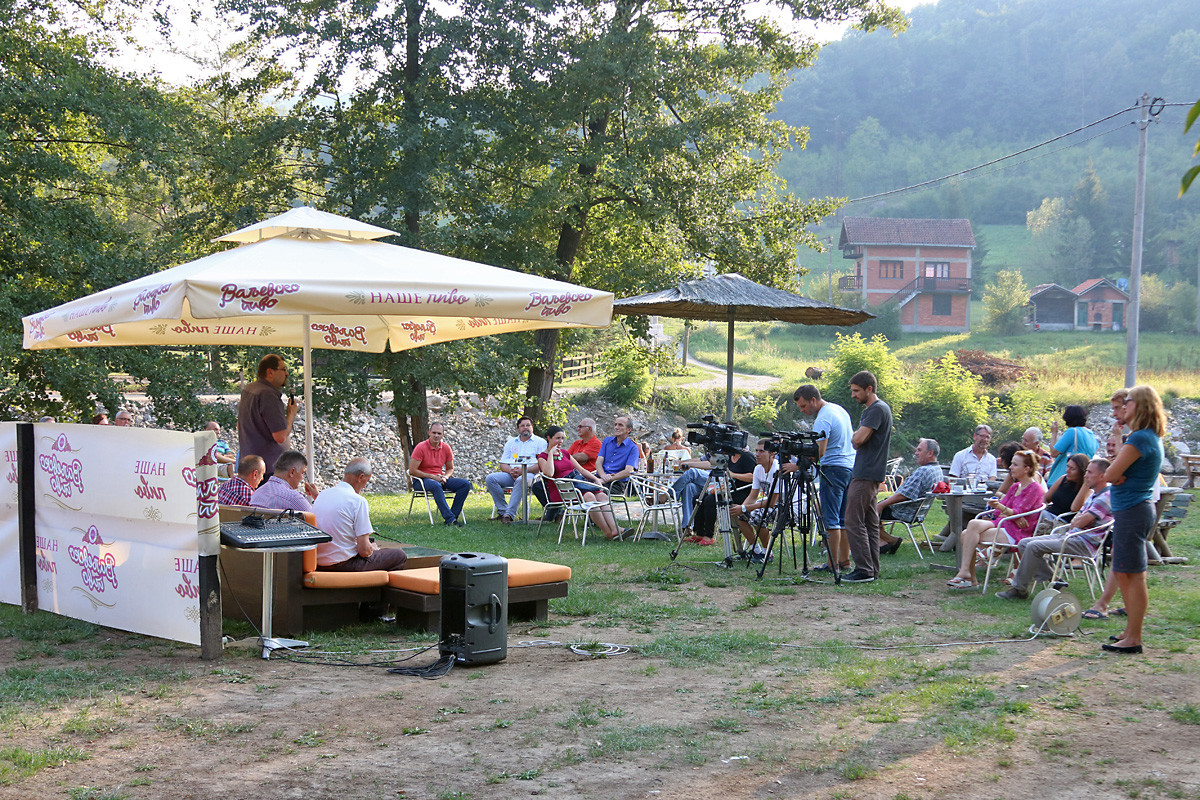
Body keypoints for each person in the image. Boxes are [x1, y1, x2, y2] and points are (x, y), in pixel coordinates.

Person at [1101, 385, 1165, 655]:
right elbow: (1114, 473)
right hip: (1135, 508)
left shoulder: (1139, 439)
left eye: (1127, 402)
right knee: (1125, 572)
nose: (1123, 406)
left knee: (1134, 574)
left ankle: (1134, 637)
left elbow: (1108, 474)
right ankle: (1129, 632)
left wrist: (1116, 474)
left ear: (1141, 405)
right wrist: (1116, 473)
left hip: (1133, 509)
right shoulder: (1146, 437)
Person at [997, 458, 1113, 600]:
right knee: (1024, 543)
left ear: (1102, 476)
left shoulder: (1106, 496)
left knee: (1033, 546)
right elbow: (1078, 518)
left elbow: (1079, 521)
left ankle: (1019, 589)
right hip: (1072, 535)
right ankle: (1054, 579)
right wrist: (1078, 521)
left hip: (1084, 543)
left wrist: (1078, 521)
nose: (1085, 475)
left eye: (1089, 472)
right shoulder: (1095, 494)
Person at [945, 450, 1042, 589]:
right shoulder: (1015, 486)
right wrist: (1007, 512)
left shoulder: (1035, 489)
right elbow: (999, 512)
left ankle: (969, 578)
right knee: (972, 525)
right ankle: (965, 574)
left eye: (1015, 464)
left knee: (967, 534)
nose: (1010, 467)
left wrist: (1006, 511)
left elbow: (1018, 514)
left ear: (1026, 468)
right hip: (1005, 524)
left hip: (1019, 532)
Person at [791, 384, 855, 573]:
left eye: (803, 406)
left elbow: (820, 450)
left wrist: (799, 464)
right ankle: (844, 561)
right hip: (849, 468)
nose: (803, 411)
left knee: (831, 519)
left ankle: (832, 564)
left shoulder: (823, 418)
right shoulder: (839, 410)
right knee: (843, 519)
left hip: (833, 470)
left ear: (813, 399)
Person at [314, 459, 407, 572]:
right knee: (399, 555)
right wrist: (371, 549)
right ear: (361, 477)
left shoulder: (322, 495)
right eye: (366, 481)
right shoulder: (357, 501)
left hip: (318, 563)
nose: (364, 487)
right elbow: (364, 551)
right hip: (344, 565)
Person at [843, 370, 893, 584]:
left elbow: (858, 439)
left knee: (853, 521)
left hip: (865, 473)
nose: (853, 395)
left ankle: (863, 569)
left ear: (869, 389)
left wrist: (855, 436)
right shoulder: (880, 409)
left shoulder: (875, 410)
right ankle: (872, 567)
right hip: (872, 473)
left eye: (856, 391)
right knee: (870, 523)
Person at [536, 425, 625, 541]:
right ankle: (607, 532)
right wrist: (551, 454)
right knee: (589, 496)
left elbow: (581, 470)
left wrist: (596, 480)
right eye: (557, 438)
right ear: (549, 438)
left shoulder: (564, 453)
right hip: (562, 489)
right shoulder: (543, 457)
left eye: (562, 438)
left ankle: (615, 528)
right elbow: (549, 473)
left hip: (578, 484)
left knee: (602, 495)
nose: (560, 441)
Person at [673, 442, 755, 545]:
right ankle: (699, 533)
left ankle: (709, 536)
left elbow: (753, 477)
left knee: (710, 500)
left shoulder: (747, 457)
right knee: (698, 498)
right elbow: (711, 463)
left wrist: (733, 475)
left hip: (740, 492)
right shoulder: (729, 457)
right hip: (726, 489)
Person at [875, 438, 942, 554]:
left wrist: (881, 505)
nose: (916, 453)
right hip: (918, 511)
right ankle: (881, 542)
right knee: (873, 507)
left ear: (930, 453)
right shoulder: (937, 469)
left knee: (865, 511)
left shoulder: (923, 471)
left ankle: (890, 541)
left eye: (919, 450)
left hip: (904, 510)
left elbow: (904, 495)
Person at [238, 353, 298, 476]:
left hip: (249, 464)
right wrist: (291, 415)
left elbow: (239, 425)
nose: (286, 374)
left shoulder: (249, 389)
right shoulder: (268, 395)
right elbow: (280, 437)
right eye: (283, 369)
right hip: (267, 468)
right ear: (270, 372)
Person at [408, 421, 472, 526]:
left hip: (440, 478)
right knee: (436, 485)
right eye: (434, 433)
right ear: (429, 433)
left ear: (443, 434)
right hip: (421, 481)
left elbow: (450, 469)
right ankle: (450, 520)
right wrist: (433, 477)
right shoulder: (421, 447)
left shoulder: (446, 448)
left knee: (465, 484)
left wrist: (445, 477)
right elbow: (412, 471)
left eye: (439, 433)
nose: (436, 436)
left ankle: (453, 516)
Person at [485, 417, 547, 523]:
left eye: (528, 425)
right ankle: (503, 511)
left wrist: (524, 471)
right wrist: (511, 471)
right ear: (518, 429)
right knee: (490, 478)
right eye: (522, 426)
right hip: (512, 474)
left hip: (532, 475)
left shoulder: (540, 442)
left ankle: (509, 515)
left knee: (521, 480)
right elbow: (503, 464)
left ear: (532, 427)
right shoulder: (511, 442)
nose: (525, 428)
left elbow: (541, 464)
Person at [731, 439, 779, 563]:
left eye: (761, 451)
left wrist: (744, 508)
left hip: (785, 506)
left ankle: (767, 553)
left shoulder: (777, 470)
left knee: (757, 515)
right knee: (739, 513)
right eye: (756, 451)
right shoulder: (758, 469)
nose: (757, 454)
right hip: (768, 503)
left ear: (772, 454)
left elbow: (773, 502)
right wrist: (741, 509)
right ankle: (755, 550)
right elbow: (753, 496)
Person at [249, 449, 319, 512]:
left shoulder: (256, 494)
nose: (302, 478)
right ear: (292, 472)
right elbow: (315, 521)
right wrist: (317, 497)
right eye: (302, 473)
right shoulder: (293, 498)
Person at [1046, 404, 1098, 486]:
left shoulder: (1072, 432)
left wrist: (1054, 433)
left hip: (1063, 479)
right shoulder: (1091, 434)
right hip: (1081, 479)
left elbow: (1054, 452)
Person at [1038, 453, 1090, 531]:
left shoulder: (1087, 490)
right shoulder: (1063, 479)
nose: (1067, 471)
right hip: (1048, 514)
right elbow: (1045, 498)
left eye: (1072, 469)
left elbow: (1075, 508)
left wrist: (1085, 484)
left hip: (1061, 522)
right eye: (1067, 466)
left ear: (1081, 472)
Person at [594, 416, 640, 494]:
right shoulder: (607, 441)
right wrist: (603, 476)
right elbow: (598, 462)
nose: (616, 427)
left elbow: (628, 471)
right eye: (615, 425)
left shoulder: (633, 448)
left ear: (629, 430)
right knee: (580, 487)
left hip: (617, 483)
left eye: (620, 425)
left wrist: (607, 479)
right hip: (600, 477)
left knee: (596, 492)